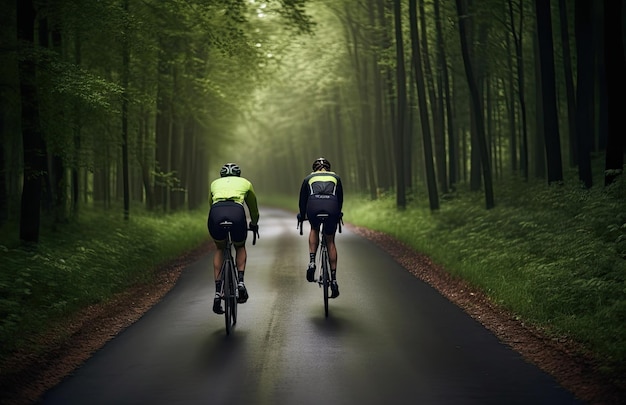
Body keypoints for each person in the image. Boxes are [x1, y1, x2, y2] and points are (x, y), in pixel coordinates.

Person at [207, 162, 259, 314]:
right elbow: (253, 208)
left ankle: (217, 292)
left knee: (220, 247)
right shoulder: (246, 183)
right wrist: (254, 223)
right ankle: (241, 282)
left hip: (216, 213)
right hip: (236, 212)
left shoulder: (214, 183)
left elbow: (211, 204)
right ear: (238, 174)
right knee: (240, 245)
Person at [297, 157, 343, 298]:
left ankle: (312, 262)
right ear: (328, 168)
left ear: (314, 169)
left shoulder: (308, 179)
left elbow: (302, 200)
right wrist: (337, 213)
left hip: (314, 206)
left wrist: (302, 214)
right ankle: (334, 280)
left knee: (314, 229)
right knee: (330, 241)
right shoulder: (336, 177)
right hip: (332, 207)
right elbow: (340, 198)